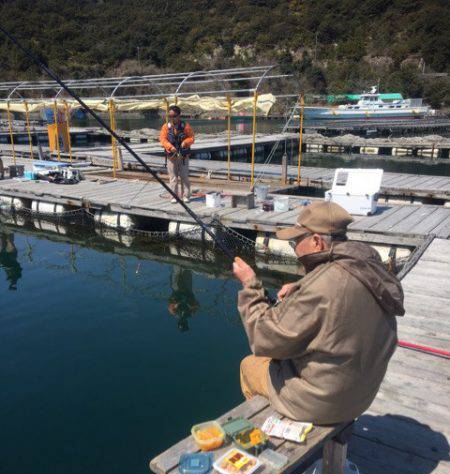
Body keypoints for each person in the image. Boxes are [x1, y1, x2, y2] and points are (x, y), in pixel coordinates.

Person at [233, 201, 405, 425]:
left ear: (316, 241)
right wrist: (301, 286)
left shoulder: (323, 287)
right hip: (362, 395)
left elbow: (263, 338)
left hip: (323, 403)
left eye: (296, 241)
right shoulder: (369, 267)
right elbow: (338, 294)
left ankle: (271, 428)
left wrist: (251, 286)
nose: (295, 249)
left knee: (249, 365)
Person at [159, 105, 195, 203]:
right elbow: (162, 139)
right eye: (169, 116)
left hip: (183, 156)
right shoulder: (166, 127)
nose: (171, 118)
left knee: (184, 176)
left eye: (173, 115)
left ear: (178, 115)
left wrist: (185, 142)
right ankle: (174, 196)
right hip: (172, 156)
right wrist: (170, 147)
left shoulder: (185, 126)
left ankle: (186, 195)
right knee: (173, 177)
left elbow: (192, 138)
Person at [167, 266, 199, 332]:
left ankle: (177, 260)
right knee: (187, 271)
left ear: (179, 322)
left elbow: (170, 303)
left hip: (177, 289)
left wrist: (177, 303)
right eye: (184, 323)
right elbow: (197, 305)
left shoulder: (174, 313)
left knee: (176, 272)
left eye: (181, 322)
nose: (182, 321)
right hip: (187, 289)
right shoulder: (191, 313)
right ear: (186, 322)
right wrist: (189, 304)